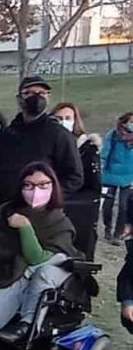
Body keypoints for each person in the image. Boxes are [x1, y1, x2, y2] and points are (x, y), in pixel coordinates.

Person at [0, 162, 79, 345]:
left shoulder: (60, 222)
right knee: (17, 277)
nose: (35, 190)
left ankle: (23, 323)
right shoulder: (6, 212)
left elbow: (37, 257)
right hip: (10, 270)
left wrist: (25, 228)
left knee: (38, 271)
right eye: (28, 185)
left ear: (53, 186)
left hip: (51, 272)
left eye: (43, 185)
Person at [0, 76, 83, 214]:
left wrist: (47, 199)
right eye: (29, 93)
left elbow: (74, 177)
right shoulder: (7, 135)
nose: (35, 97)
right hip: (3, 211)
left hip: (39, 213)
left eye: (41, 93)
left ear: (48, 98)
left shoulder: (59, 135)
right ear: (19, 99)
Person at [52, 102, 101, 260]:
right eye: (59, 118)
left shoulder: (87, 148)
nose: (63, 121)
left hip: (78, 208)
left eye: (68, 118)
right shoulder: (47, 144)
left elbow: (93, 184)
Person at [101, 112, 133, 244]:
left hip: (128, 177)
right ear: (124, 122)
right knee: (107, 205)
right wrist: (100, 169)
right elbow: (104, 154)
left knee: (124, 206)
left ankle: (117, 234)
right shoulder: (113, 136)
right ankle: (107, 228)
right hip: (110, 174)